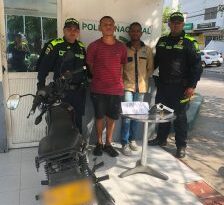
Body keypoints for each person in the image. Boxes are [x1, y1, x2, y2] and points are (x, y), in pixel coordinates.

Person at [148, 12, 203, 158]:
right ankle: (161, 139)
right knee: (162, 114)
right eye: (173, 22)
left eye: (179, 22)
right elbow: (156, 62)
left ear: (183, 24)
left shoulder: (189, 42)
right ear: (169, 24)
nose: (176, 24)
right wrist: (146, 74)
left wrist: (192, 86)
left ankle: (181, 146)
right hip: (164, 86)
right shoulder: (162, 40)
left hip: (181, 88)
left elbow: (197, 67)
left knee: (180, 117)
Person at [37, 18, 88, 134]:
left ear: (78, 32)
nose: (72, 32)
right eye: (69, 29)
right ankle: (61, 149)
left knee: (77, 119)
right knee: (60, 120)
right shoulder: (55, 45)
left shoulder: (81, 47)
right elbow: (43, 68)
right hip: (61, 92)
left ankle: (78, 146)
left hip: (78, 92)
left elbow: (85, 68)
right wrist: (40, 87)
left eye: (75, 29)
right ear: (64, 30)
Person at [86, 16, 127, 157]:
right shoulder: (93, 46)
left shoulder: (121, 47)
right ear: (100, 28)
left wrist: (115, 80)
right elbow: (90, 66)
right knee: (99, 117)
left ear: (114, 27)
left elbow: (121, 66)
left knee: (111, 118)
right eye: (105, 24)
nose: (108, 27)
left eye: (111, 24)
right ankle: (99, 143)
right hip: (98, 88)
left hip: (116, 89)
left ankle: (108, 143)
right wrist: (101, 78)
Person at [121, 22, 154, 156]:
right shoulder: (123, 49)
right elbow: (120, 68)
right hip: (127, 87)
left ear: (141, 33)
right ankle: (124, 142)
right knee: (127, 116)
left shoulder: (147, 50)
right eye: (132, 31)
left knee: (137, 116)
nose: (135, 33)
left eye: (137, 31)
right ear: (129, 33)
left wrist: (143, 80)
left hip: (141, 88)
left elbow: (150, 68)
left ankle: (132, 140)